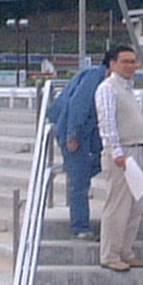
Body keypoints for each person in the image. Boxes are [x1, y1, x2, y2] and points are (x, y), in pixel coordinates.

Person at [94, 45, 143, 272]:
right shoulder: (108, 88)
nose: (130, 66)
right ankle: (110, 254)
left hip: (138, 150)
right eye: (125, 61)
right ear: (113, 64)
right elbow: (107, 123)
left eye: (133, 62)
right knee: (118, 206)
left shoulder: (128, 88)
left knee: (136, 206)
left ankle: (126, 251)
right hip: (122, 153)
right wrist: (117, 152)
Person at [47, 60, 106, 238]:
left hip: (89, 133)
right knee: (79, 182)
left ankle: (78, 174)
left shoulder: (107, 79)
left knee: (92, 168)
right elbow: (78, 104)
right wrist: (73, 134)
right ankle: (80, 227)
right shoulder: (95, 76)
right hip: (74, 132)